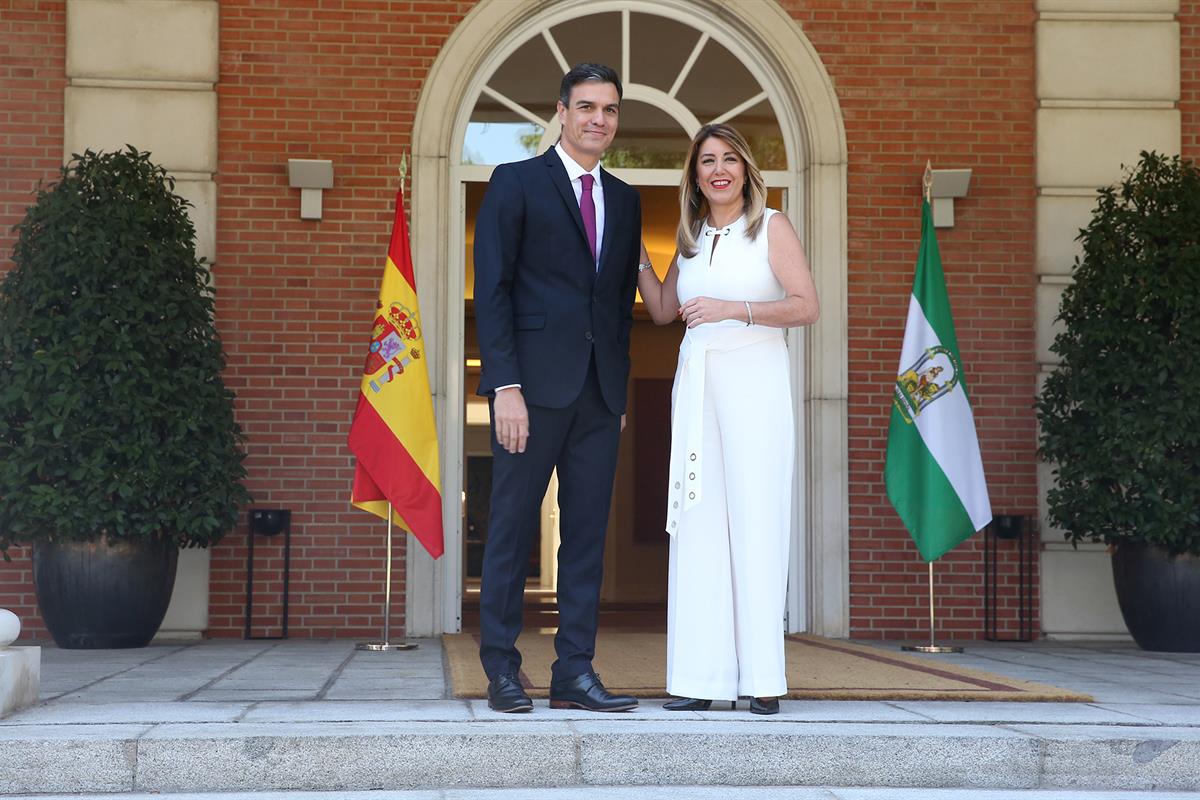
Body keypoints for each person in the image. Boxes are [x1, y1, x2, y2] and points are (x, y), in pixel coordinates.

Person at [473, 63, 642, 714]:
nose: (599, 119)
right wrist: (504, 385)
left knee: (586, 537)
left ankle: (575, 671)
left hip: (599, 397)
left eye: (610, 110)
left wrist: (619, 394)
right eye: (588, 107)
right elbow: (494, 291)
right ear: (562, 112)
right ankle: (502, 670)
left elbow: (618, 306)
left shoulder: (625, 200)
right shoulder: (516, 182)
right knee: (511, 528)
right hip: (531, 390)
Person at [636, 123, 819, 715]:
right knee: (699, 523)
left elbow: (805, 306)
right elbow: (664, 310)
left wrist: (733, 310)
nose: (718, 169)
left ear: (746, 170)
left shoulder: (771, 227)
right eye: (706, 160)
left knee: (756, 522)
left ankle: (763, 677)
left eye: (729, 159)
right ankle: (699, 678)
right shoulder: (689, 240)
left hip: (756, 386)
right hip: (698, 389)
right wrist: (632, 252)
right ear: (693, 175)